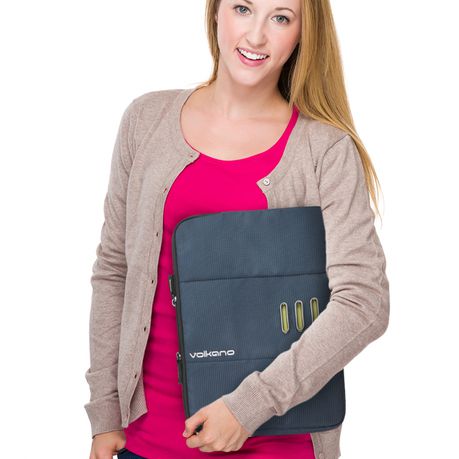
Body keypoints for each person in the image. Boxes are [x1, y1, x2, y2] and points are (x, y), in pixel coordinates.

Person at [85, 0, 390, 458]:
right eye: (243, 8)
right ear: (215, 12)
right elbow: (115, 270)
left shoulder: (324, 149)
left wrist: (248, 408)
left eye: (281, 17)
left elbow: (364, 302)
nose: (256, 35)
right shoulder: (146, 120)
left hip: (278, 443)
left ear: (303, 34)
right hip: (147, 441)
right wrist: (105, 412)